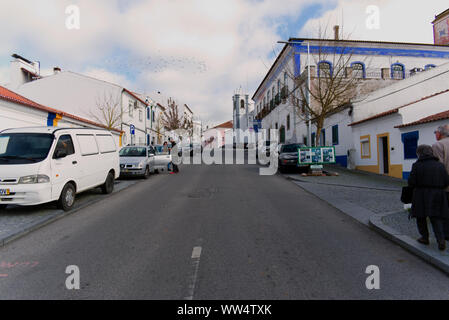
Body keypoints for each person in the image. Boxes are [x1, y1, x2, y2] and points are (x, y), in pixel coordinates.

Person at [408, 144, 449, 251]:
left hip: (421, 194)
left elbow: (411, 182)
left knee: (420, 217)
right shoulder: (440, 165)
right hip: (437, 194)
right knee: (436, 218)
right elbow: (446, 181)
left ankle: (424, 238)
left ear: (419, 153)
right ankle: (441, 240)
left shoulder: (416, 165)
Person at [432, 124, 449, 240]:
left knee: (444, 210)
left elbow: (439, 167)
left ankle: (446, 234)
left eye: (435, 132)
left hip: (445, 186)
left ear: (439, 133)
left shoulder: (438, 145)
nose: (435, 135)